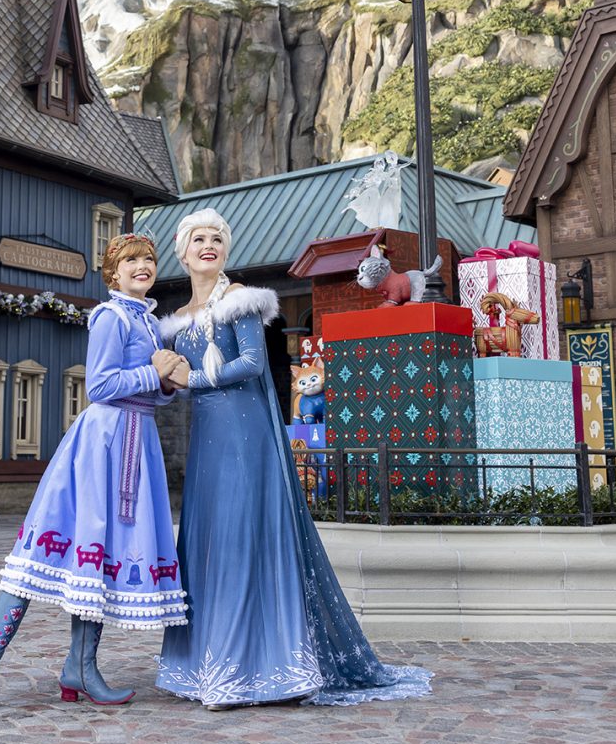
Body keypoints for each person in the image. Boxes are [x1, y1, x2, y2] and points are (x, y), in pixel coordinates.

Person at [155, 208, 432, 708]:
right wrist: (165, 379)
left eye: (218, 237)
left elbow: (252, 363)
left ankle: (253, 668)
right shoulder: (182, 319)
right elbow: (180, 384)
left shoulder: (239, 301)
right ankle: (205, 665)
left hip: (246, 440)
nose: (209, 245)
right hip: (209, 446)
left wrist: (190, 379)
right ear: (182, 249)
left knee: (242, 538)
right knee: (211, 541)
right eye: (199, 238)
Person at [0, 233, 191, 712]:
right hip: (102, 446)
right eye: (131, 260)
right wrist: (154, 374)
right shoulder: (110, 316)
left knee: (103, 555)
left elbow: (149, 385)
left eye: (148, 259)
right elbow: (102, 384)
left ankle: (81, 667)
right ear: (114, 272)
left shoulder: (147, 320)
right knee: (46, 545)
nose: (142, 266)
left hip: (136, 440)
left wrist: (167, 383)